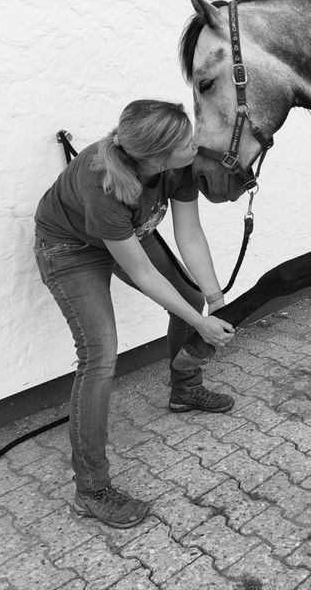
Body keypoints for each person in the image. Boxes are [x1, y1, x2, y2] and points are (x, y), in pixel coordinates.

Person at [33, 99, 236, 528]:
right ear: (156, 157)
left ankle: (185, 388)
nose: (196, 143)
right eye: (186, 141)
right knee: (100, 354)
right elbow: (141, 272)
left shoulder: (179, 163)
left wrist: (216, 299)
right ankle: (91, 489)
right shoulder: (103, 184)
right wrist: (202, 325)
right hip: (71, 249)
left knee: (190, 297)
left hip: (127, 234)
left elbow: (189, 232)